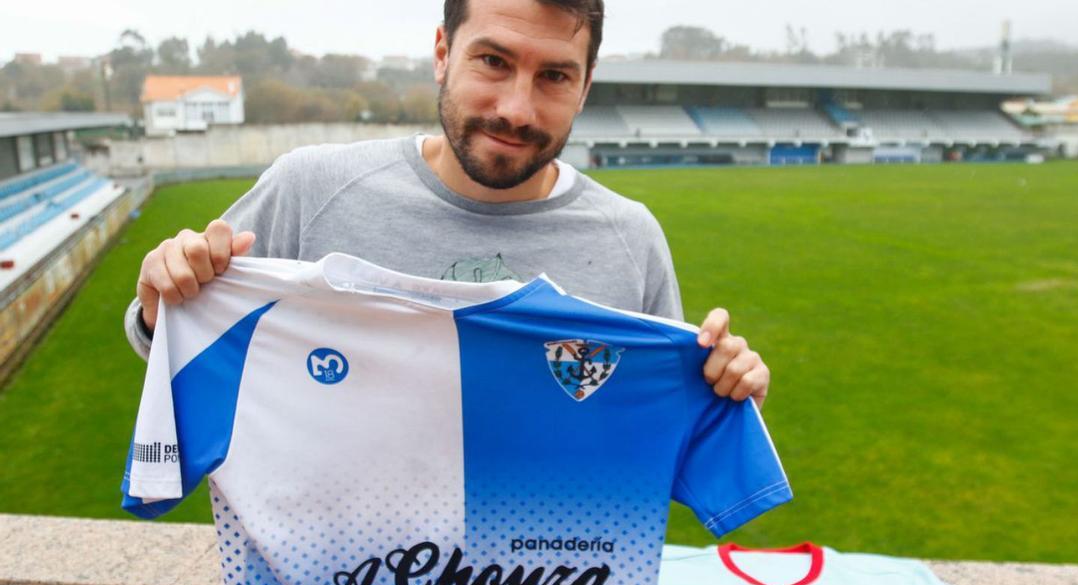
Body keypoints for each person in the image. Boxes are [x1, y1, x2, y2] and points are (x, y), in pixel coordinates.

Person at [124, 0, 770, 407]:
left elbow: (655, 420)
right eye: (493, 61)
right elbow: (177, 350)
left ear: (585, 85)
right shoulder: (309, 188)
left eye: (554, 75)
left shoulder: (629, 237)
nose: (517, 108)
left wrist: (724, 388)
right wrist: (163, 304)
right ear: (442, 55)